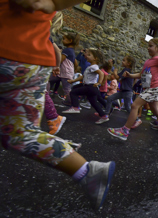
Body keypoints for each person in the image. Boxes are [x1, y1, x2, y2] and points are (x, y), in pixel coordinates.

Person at [0, 0, 115, 210]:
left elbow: (76, 62)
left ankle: (86, 113)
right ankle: (87, 171)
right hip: (33, 56)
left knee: (83, 96)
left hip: (9, 48)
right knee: (20, 133)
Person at [107, 38, 158, 141]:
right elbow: (141, 74)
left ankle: (124, 131)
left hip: (153, 88)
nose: (148, 48)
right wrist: (130, 75)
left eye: (151, 46)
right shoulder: (148, 61)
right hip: (148, 88)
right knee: (155, 111)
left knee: (134, 105)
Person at [62, 48, 109, 125]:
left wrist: (99, 82)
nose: (86, 56)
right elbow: (83, 76)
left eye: (89, 55)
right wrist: (73, 81)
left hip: (90, 87)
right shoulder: (91, 67)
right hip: (92, 88)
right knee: (93, 103)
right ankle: (103, 116)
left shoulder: (93, 67)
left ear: (95, 58)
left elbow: (101, 73)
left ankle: (75, 107)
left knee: (73, 92)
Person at [104, 56, 141, 127]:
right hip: (123, 91)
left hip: (127, 92)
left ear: (128, 63)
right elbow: (119, 78)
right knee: (109, 98)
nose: (122, 61)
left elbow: (117, 77)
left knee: (128, 107)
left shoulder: (126, 70)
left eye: (124, 60)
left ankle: (137, 119)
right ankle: (105, 115)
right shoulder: (126, 70)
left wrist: (115, 71)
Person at [50, 32, 80, 105]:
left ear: (70, 40)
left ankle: (72, 102)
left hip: (65, 73)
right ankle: (46, 94)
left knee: (67, 89)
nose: (62, 40)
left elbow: (60, 60)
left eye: (64, 39)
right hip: (64, 73)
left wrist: (55, 64)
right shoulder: (72, 51)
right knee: (49, 79)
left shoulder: (67, 50)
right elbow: (75, 62)